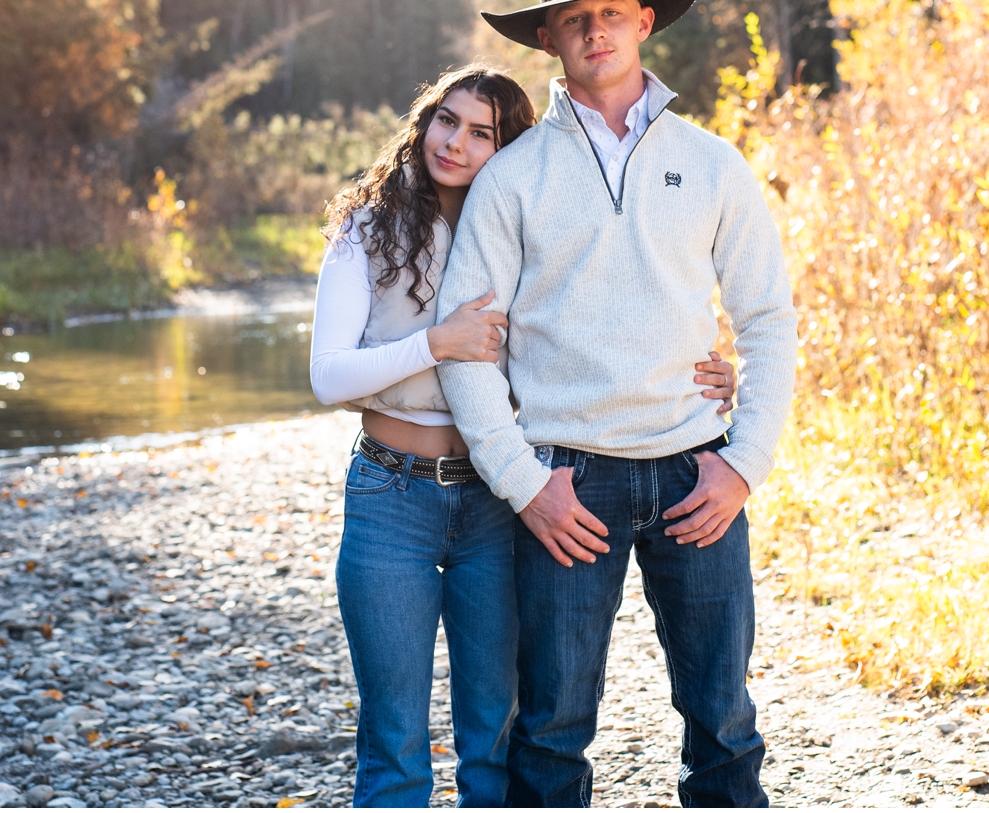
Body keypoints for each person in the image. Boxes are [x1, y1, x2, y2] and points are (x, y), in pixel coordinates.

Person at [434, 0, 799, 808]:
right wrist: (524, 482)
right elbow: (468, 345)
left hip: (695, 473)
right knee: (551, 731)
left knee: (724, 724)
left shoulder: (711, 164)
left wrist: (744, 463)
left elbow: (767, 319)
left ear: (643, 21)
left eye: (610, 12)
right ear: (548, 39)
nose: (594, 29)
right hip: (568, 481)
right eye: (574, 19)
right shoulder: (512, 178)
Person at [309, 64, 740, 808]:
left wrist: (698, 372)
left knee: (494, 734)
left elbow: (596, 323)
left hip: (494, 498)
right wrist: (436, 343)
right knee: (394, 736)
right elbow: (328, 375)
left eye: (481, 133)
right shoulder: (368, 229)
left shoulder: (527, 223)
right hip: (391, 495)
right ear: (424, 122)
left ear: (507, 149)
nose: (455, 142)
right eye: (446, 120)